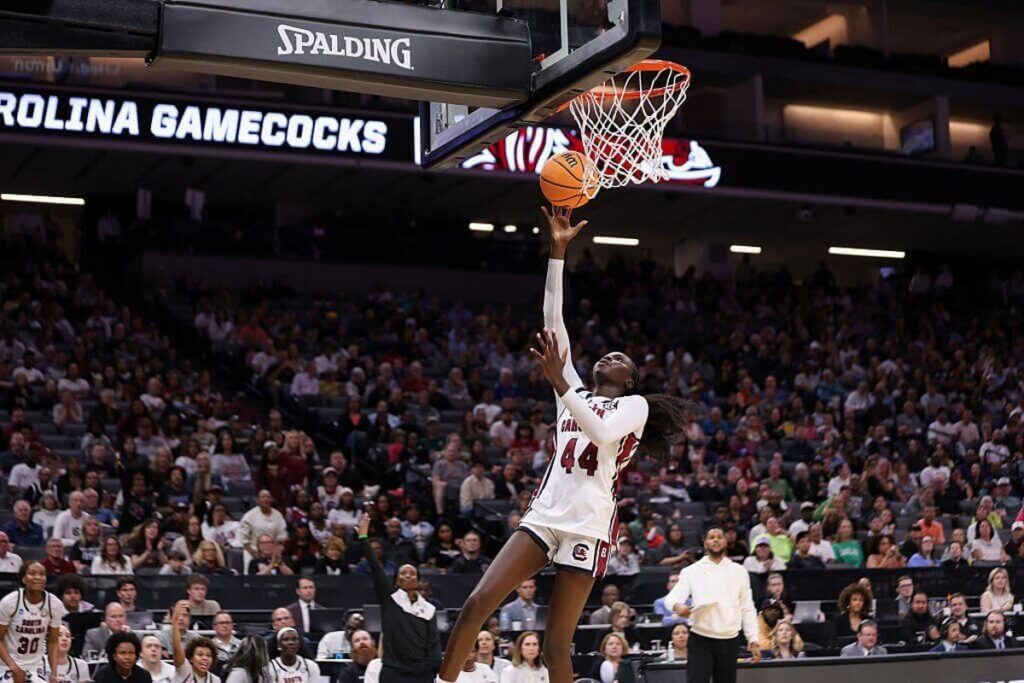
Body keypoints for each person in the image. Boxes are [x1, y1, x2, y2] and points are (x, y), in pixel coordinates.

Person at [438, 207, 691, 683]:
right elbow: (552, 318)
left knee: (556, 647)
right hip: (544, 515)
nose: (609, 354)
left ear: (630, 380)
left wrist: (562, 385)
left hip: (589, 526)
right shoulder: (573, 391)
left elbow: (600, 432)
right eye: (607, 353)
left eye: (620, 357)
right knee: (476, 603)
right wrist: (557, 252)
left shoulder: (633, 407)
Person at [664, 528, 760, 683]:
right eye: (711, 537)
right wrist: (677, 606)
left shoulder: (740, 571)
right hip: (701, 638)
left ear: (725, 542)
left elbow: (748, 608)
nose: (716, 540)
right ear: (705, 543)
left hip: (730, 639)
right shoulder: (691, 571)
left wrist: (753, 638)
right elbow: (671, 598)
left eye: (719, 537)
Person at [356, 514, 440, 682]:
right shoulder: (390, 600)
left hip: (421, 674)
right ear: (395, 581)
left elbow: (433, 645)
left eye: (412, 573)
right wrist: (363, 539)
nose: (407, 575)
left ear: (418, 581)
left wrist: (433, 670)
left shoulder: (429, 609)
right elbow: (376, 568)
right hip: (393, 672)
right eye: (403, 573)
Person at [0, 562, 65, 683]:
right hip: (6, 666)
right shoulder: (9, 602)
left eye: (42, 574)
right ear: (23, 579)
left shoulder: (54, 604)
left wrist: (54, 673)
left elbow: (53, 641)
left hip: (35, 667)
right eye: (32, 573)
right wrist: (14, 668)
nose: (37, 577)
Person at [169, 601, 220, 683]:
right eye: (200, 654)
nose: (205, 658)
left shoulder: (215, 680)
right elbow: (177, 650)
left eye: (208, 655)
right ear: (191, 658)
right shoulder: (184, 670)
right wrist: (175, 620)